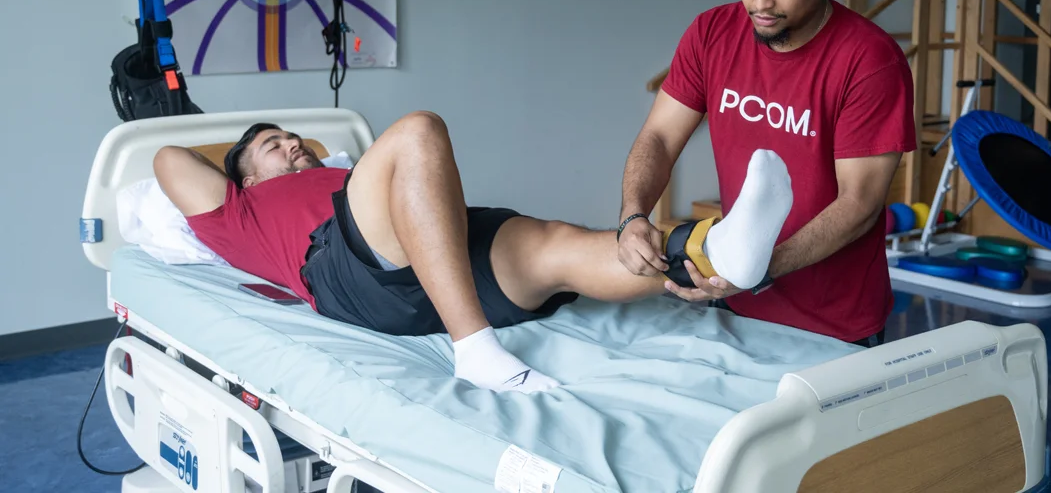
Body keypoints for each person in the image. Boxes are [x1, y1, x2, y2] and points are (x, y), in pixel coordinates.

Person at [153, 114, 793, 393]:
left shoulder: (339, 175)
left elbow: (340, 160)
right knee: (418, 132)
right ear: (245, 180)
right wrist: (251, 166)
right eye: (272, 145)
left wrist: (308, 157)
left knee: (557, 245)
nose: (293, 144)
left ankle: (718, 254)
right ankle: (476, 351)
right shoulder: (240, 215)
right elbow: (167, 159)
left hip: (434, 253)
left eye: (293, 137)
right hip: (346, 268)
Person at [616, 0, 916, 348]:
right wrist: (632, 216)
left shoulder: (870, 60)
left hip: (834, 325)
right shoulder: (711, 33)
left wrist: (757, 267)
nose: (760, 4)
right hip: (733, 306)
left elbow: (859, 203)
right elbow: (658, 136)